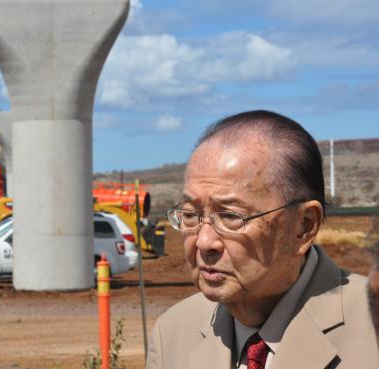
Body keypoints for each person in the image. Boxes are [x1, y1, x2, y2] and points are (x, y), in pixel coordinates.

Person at [147, 110, 378, 369]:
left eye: (231, 216)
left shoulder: (372, 330)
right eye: (191, 214)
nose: (204, 241)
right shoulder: (173, 333)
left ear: (304, 226)